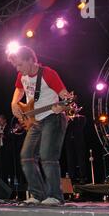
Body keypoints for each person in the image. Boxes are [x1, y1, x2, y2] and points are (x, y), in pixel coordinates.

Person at [9, 46, 73, 206]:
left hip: (53, 118)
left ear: (30, 60)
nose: (18, 69)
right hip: (36, 120)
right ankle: (37, 195)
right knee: (26, 156)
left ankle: (55, 196)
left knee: (47, 156)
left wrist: (63, 106)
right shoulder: (21, 75)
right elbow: (19, 90)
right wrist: (14, 102)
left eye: (20, 65)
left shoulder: (48, 74)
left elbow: (66, 98)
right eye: (15, 66)